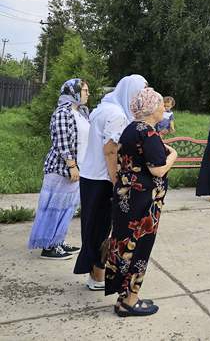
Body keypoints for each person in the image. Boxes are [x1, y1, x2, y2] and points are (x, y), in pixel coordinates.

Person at [106, 87, 177, 317]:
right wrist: (173, 156)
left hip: (126, 197)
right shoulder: (147, 132)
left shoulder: (129, 129)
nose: (162, 108)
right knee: (139, 247)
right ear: (150, 108)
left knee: (123, 244)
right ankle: (130, 302)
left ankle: (123, 297)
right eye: (159, 104)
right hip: (143, 203)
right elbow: (157, 170)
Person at [75, 74, 147, 291]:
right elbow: (110, 149)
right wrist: (116, 180)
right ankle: (97, 276)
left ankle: (93, 273)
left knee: (92, 226)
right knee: (101, 228)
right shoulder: (117, 114)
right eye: (140, 92)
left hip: (90, 176)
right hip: (102, 178)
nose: (141, 98)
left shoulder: (104, 107)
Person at [28, 79, 90, 260]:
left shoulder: (80, 112)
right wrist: (72, 166)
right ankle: (48, 247)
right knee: (54, 208)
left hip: (76, 168)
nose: (87, 94)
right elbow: (62, 143)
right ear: (73, 92)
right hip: (61, 169)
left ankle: (57, 241)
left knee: (66, 208)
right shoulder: (63, 112)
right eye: (84, 90)